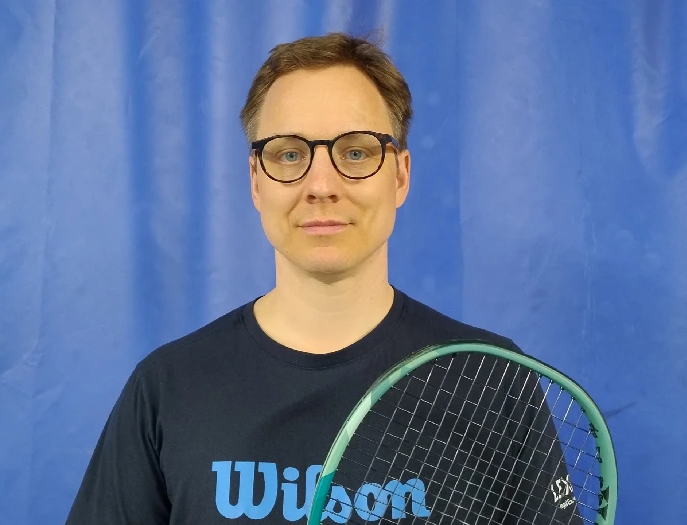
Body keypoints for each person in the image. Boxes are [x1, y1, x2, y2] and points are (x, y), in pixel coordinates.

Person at [65, 32, 579, 524]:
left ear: (400, 175)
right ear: (256, 181)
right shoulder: (168, 388)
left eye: (355, 152)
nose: (322, 185)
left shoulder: (491, 378)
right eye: (290, 154)